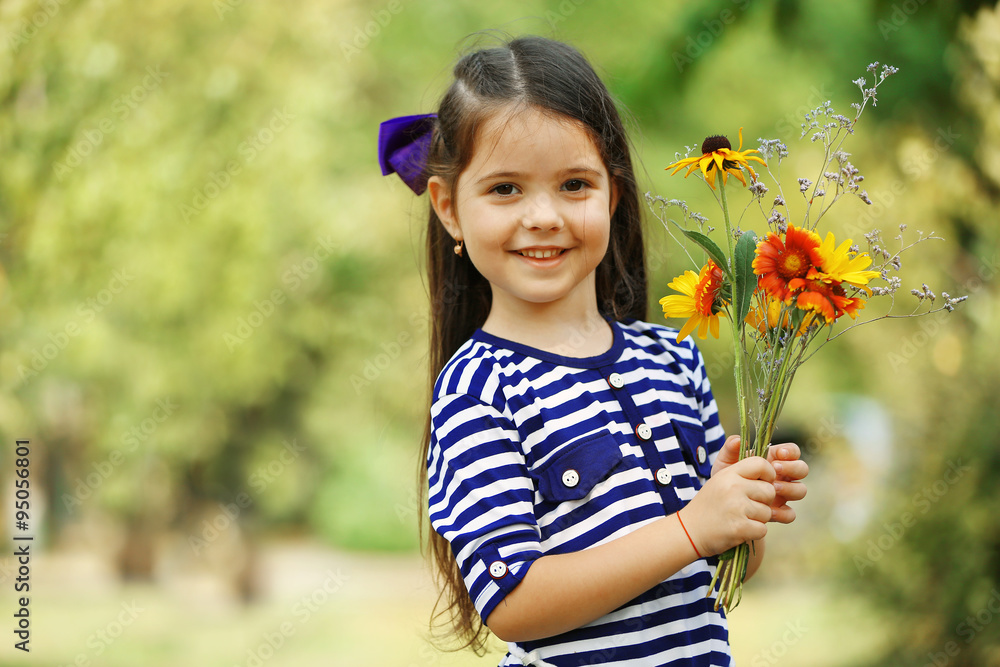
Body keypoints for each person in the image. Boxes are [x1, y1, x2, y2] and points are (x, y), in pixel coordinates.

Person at [378, 35, 809, 667]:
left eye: (574, 184)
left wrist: (742, 505)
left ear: (612, 193)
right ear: (449, 209)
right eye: (505, 190)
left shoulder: (673, 360)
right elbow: (513, 603)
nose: (544, 215)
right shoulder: (479, 390)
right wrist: (690, 528)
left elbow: (719, 572)